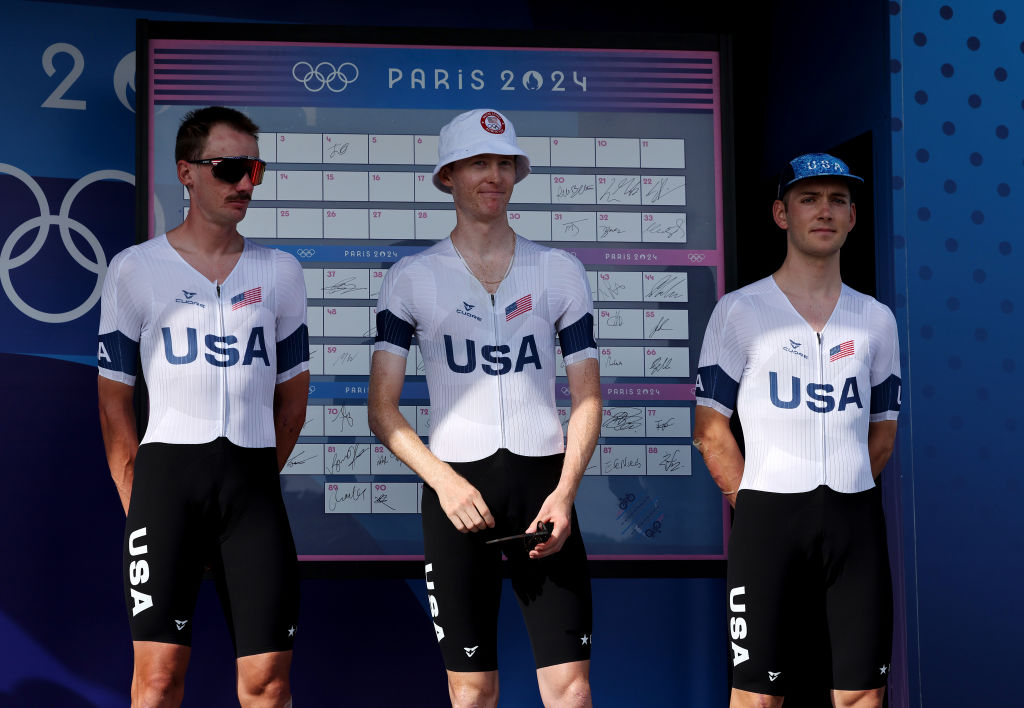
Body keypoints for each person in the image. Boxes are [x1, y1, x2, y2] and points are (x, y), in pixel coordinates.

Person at [368, 108, 601, 708]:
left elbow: (587, 398)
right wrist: (444, 483)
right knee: (471, 695)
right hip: (456, 495)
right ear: (449, 176)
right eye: (478, 163)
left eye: (504, 163)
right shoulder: (411, 277)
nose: (493, 175)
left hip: (544, 493)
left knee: (571, 692)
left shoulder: (561, 270)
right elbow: (382, 409)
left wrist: (566, 492)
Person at [97, 106, 309, 708]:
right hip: (165, 489)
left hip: (252, 490)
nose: (245, 183)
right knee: (158, 684)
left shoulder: (283, 272)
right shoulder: (134, 269)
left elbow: (293, 399)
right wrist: (139, 500)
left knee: (268, 687)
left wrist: (256, 478)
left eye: (255, 169)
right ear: (187, 173)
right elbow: (115, 405)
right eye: (230, 168)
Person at [692, 154, 901, 708]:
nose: (824, 211)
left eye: (837, 200)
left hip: (855, 520)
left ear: (854, 217)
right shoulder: (739, 311)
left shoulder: (877, 318)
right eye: (809, 199)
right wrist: (757, 501)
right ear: (782, 214)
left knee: (862, 696)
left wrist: (836, 490)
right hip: (768, 521)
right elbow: (710, 430)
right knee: (757, 698)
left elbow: (881, 436)